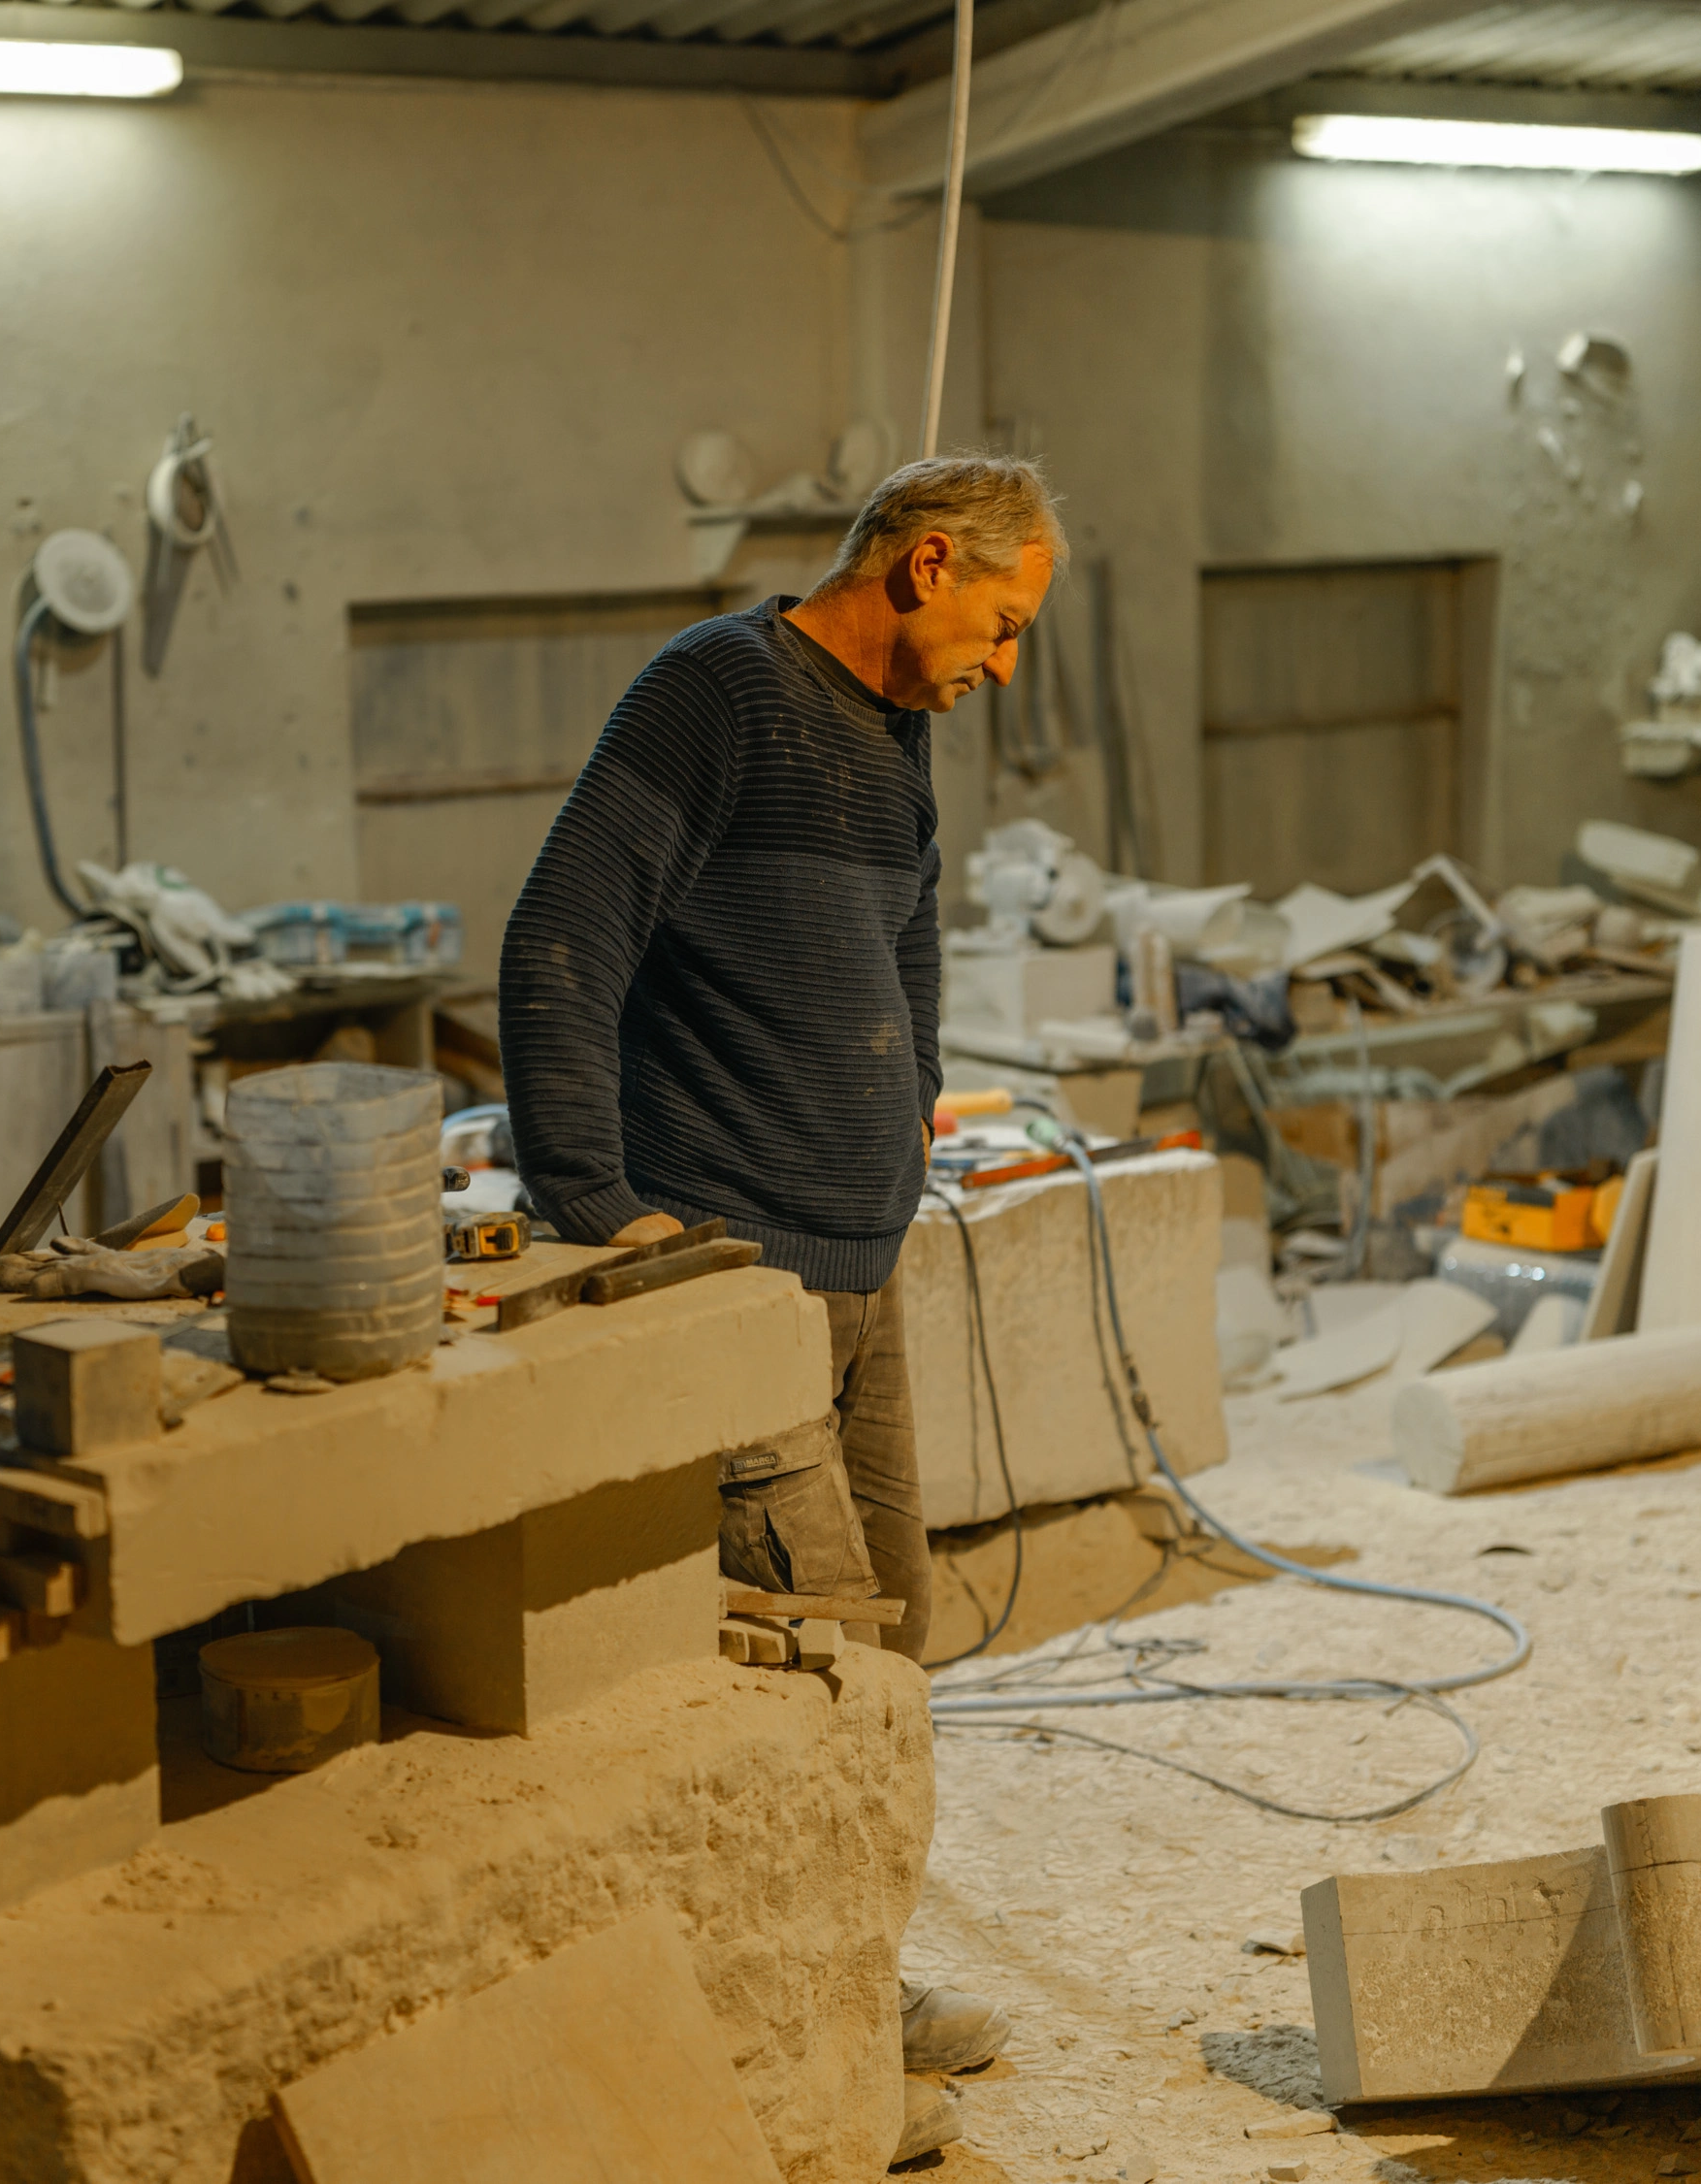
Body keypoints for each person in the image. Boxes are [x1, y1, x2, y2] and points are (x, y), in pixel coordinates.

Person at [500, 453, 1064, 2166]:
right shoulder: (715, 696)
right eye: (1002, 619)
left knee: (876, 1655)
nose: (1007, 664)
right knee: (791, 1673)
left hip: (861, 1264)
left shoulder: (895, 743)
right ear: (921, 562)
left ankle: (853, 1988)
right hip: (736, 1286)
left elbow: (913, 953)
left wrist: (907, 1121)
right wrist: (595, 1203)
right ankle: (789, 2052)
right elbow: (558, 938)